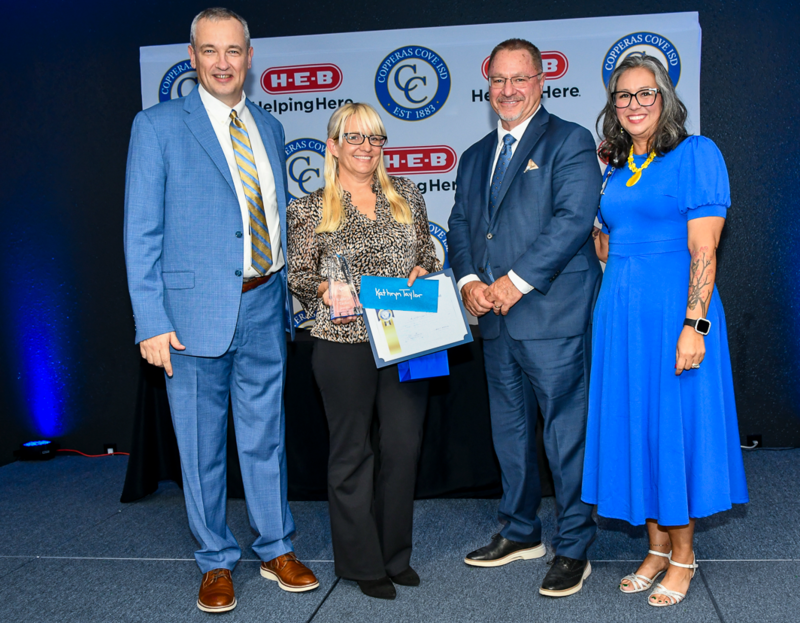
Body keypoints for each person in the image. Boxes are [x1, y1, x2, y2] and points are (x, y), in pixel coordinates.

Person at [124, 8, 319, 613]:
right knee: (202, 444)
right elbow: (141, 233)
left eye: (233, 50)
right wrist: (150, 319)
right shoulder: (156, 126)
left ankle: (276, 546)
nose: (223, 62)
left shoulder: (269, 125)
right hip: (189, 317)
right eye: (210, 51)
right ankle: (214, 559)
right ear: (192, 56)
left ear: (249, 56)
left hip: (265, 302)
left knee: (266, 438)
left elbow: (272, 216)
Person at [581, 54, 749, 607]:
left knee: (672, 429)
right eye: (622, 96)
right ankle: (653, 549)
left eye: (644, 93)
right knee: (638, 427)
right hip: (621, 315)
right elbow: (612, 237)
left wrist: (694, 325)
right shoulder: (619, 163)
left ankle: (683, 556)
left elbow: (705, 249)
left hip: (674, 314)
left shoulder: (697, 155)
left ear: (665, 98)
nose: (633, 104)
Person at [447, 38, 602, 597]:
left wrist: (512, 283)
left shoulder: (571, 141)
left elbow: (573, 220)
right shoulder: (472, 156)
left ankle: (575, 546)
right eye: (499, 81)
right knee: (510, 434)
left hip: (552, 314)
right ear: (488, 85)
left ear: (541, 82)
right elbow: (461, 226)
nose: (508, 90)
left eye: (521, 79)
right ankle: (520, 531)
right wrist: (468, 283)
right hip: (493, 321)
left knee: (566, 437)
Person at [287, 103, 440, 600]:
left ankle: (395, 556)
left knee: (402, 446)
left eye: (374, 138)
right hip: (341, 343)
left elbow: (427, 253)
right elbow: (297, 275)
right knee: (353, 452)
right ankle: (361, 562)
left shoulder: (408, 197)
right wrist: (325, 290)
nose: (365, 147)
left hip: (405, 338)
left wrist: (423, 270)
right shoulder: (308, 208)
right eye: (353, 137)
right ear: (332, 146)